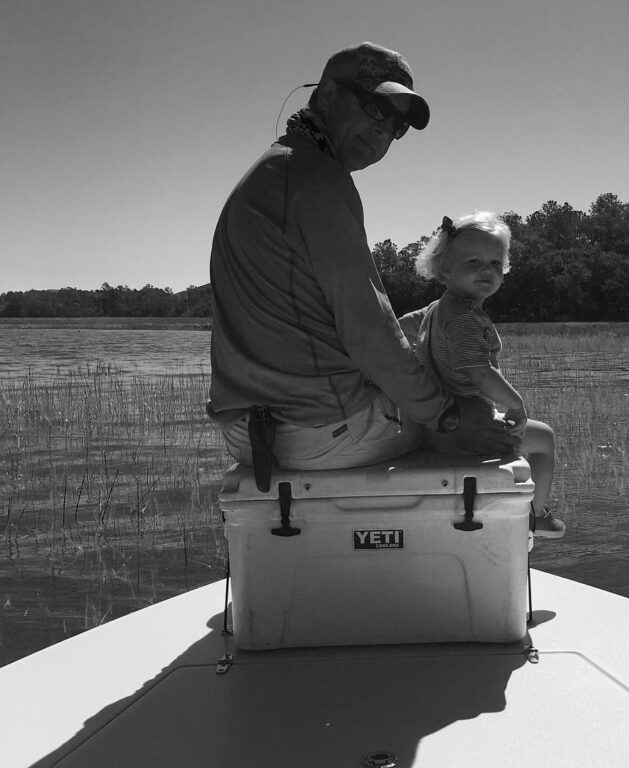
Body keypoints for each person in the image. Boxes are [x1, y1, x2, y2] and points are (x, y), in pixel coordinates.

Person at [207, 42, 518, 481]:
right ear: (329, 94)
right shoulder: (320, 183)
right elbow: (369, 331)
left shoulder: (269, 172)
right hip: (321, 435)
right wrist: (446, 416)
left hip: (248, 432)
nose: (383, 132)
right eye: (375, 109)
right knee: (485, 418)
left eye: (397, 126)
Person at [399, 211, 565, 537]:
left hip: (442, 422)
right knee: (544, 439)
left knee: (532, 435)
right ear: (445, 270)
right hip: (468, 427)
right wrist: (516, 405)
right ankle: (536, 514)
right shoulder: (463, 318)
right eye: (473, 262)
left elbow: (401, 325)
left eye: (494, 263)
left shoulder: (437, 308)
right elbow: (480, 374)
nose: (486, 270)